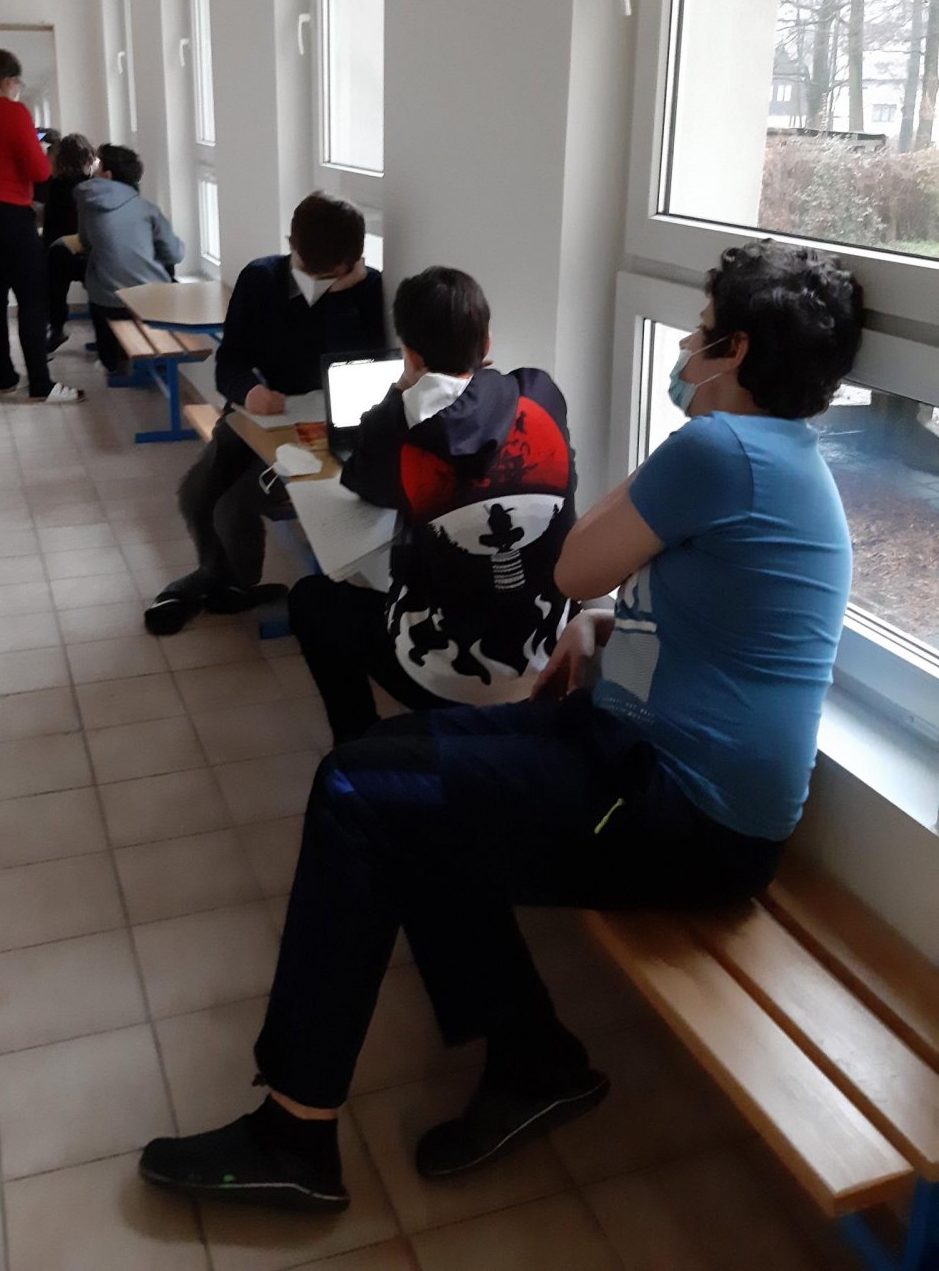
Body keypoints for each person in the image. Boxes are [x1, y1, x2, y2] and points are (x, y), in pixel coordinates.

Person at [138, 239, 864, 1211]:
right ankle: (530, 1058)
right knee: (388, 787)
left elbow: (571, 566)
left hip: (683, 807)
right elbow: (701, 608)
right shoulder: (780, 459)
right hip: (640, 756)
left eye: (699, 333)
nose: (683, 351)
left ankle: (299, 1128)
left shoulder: (721, 448)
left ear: (734, 350)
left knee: (359, 792)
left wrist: (617, 553)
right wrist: (602, 628)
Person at [290, 266, 577, 742]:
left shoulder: (396, 432)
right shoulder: (542, 395)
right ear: (486, 343)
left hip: (445, 678)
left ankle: (358, 743)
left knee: (312, 599)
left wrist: (398, 394)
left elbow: (361, 481)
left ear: (410, 355)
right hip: (549, 655)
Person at [144, 192, 385, 636]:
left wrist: (341, 298)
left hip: (321, 430)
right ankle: (220, 579)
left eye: (330, 276)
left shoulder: (368, 291)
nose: (317, 282)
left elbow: (358, 366)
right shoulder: (260, 279)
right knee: (196, 492)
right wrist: (249, 391)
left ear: (354, 262)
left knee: (234, 505)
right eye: (309, 270)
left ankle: (228, 583)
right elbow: (230, 360)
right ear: (291, 245)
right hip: (258, 416)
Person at [0, 44, 83, 403]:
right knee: (32, 297)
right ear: (7, 81)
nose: (18, 89)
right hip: (6, 213)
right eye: (18, 83)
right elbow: (39, 171)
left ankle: (6, 377)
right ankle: (41, 384)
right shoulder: (12, 112)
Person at [76, 144, 185, 374]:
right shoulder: (146, 208)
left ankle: (112, 362)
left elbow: (86, 243)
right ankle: (160, 362)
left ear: (107, 175)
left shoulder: (88, 205)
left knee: (96, 280)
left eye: (97, 165)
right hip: (149, 297)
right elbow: (175, 254)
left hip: (108, 299)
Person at [43, 133, 96, 352]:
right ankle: (104, 335)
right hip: (87, 250)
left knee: (55, 290)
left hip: (58, 251)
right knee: (98, 288)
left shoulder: (54, 185)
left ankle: (57, 328)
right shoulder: (91, 187)